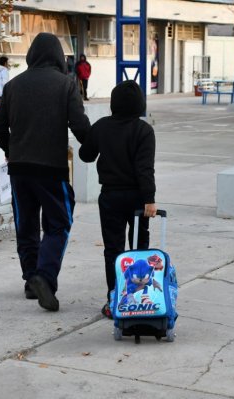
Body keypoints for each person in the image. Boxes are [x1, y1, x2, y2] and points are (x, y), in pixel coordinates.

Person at [0, 33, 91, 312]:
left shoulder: (13, 86)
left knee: (27, 224)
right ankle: (45, 277)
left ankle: (30, 280)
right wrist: (98, 146)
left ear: (32, 55)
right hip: (51, 169)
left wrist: (10, 148)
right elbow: (79, 125)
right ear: (58, 56)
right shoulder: (66, 84)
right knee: (59, 222)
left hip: (19, 170)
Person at [78, 80, 156, 319]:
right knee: (140, 247)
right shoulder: (144, 131)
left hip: (110, 195)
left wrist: (95, 138)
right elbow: (145, 169)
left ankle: (115, 298)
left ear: (113, 103)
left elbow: (86, 155)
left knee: (113, 248)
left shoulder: (102, 126)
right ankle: (142, 299)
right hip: (137, 199)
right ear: (139, 105)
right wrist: (149, 200)